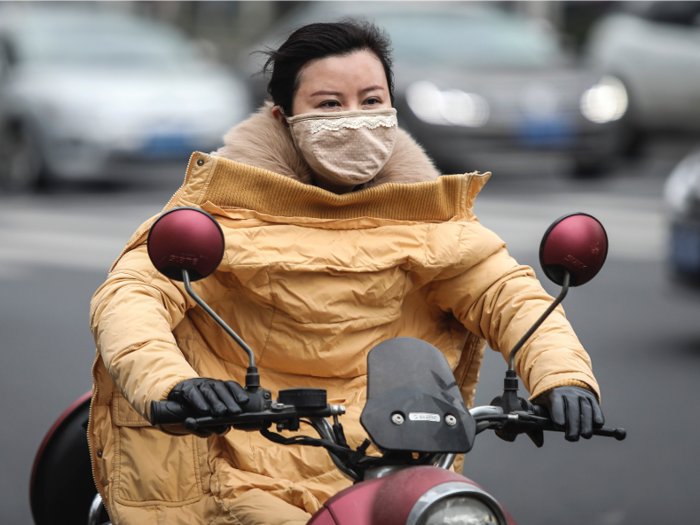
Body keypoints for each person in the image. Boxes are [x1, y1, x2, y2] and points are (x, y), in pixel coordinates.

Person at [88, 20, 604, 525]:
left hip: (391, 465)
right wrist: (174, 384)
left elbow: (507, 294)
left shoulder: (431, 220)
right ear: (282, 116)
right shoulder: (215, 217)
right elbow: (130, 298)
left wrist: (562, 377)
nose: (354, 118)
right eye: (329, 104)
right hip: (238, 463)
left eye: (371, 100)